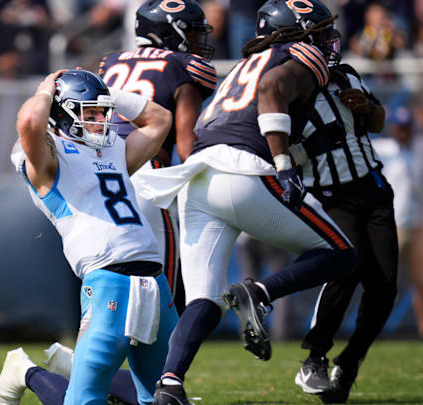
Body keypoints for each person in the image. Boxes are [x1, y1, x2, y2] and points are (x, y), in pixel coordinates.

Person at [133, 1, 357, 403]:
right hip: (241, 174)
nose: (328, 40)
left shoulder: (244, 64)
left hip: (199, 177)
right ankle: (261, 293)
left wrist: (301, 152)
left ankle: (169, 384)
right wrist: (287, 164)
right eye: (320, 31)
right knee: (341, 252)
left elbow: (240, 129)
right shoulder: (301, 55)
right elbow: (272, 93)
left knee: (204, 297)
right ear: (301, 32)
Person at [0, 69, 176, 405]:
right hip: (108, 281)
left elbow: (160, 119)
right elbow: (31, 120)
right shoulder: (47, 158)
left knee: (163, 396)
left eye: (102, 112)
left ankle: (58, 366)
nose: (100, 120)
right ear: (61, 111)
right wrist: (47, 90)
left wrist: (107, 93)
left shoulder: (113, 150)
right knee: (85, 400)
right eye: (89, 113)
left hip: (156, 282)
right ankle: (27, 373)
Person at [98, 0, 217, 314]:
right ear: (171, 31)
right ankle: (166, 364)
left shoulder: (109, 62)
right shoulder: (182, 65)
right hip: (147, 177)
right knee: (163, 293)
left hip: (99, 176)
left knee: (111, 286)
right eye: (191, 33)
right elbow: (187, 145)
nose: (197, 42)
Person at [291, 57, 396, 403]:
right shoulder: (285, 86)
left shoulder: (345, 74)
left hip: (373, 189)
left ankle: (349, 362)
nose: (327, 43)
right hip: (331, 196)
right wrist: (314, 144)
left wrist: (367, 105)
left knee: (384, 289)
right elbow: (276, 154)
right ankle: (315, 357)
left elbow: (378, 122)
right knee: (346, 269)